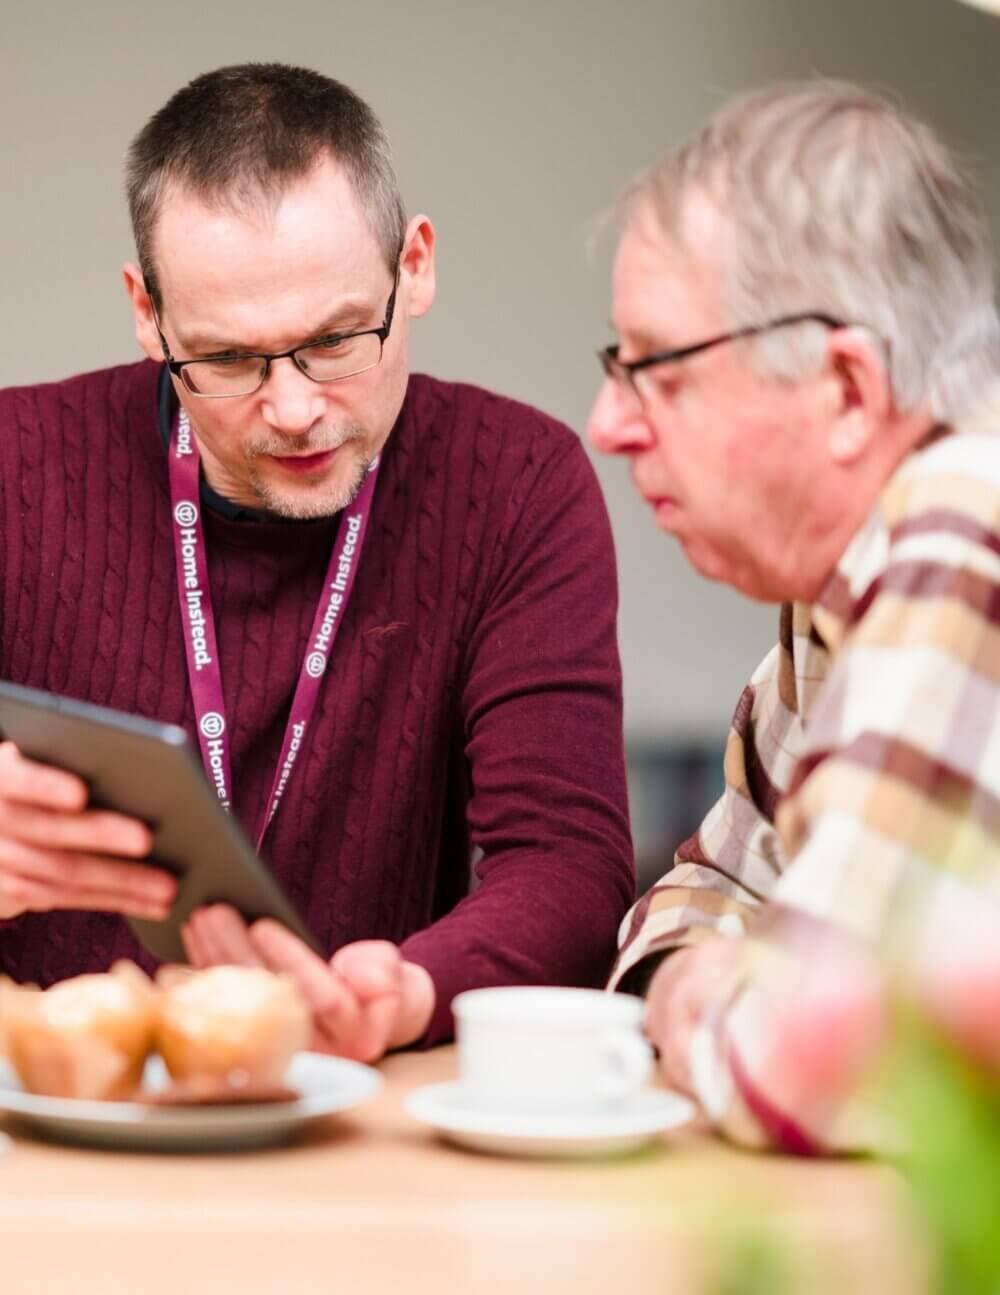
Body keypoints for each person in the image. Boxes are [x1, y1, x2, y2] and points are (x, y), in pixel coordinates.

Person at [0, 62, 634, 1061]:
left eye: (338, 340)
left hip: (361, 1112)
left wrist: (407, 990)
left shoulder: (516, 481)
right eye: (228, 359)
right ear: (146, 311)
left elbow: (565, 862)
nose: (293, 410)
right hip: (53, 1116)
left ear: (413, 265)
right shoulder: (13, 464)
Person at [587, 79, 1000, 1152]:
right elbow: (700, 888)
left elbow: (792, 1066)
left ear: (848, 390)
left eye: (655, 368)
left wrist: (702, 993)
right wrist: (706, 970)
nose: (606, 423)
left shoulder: (966, 521)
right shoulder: (837, 589)